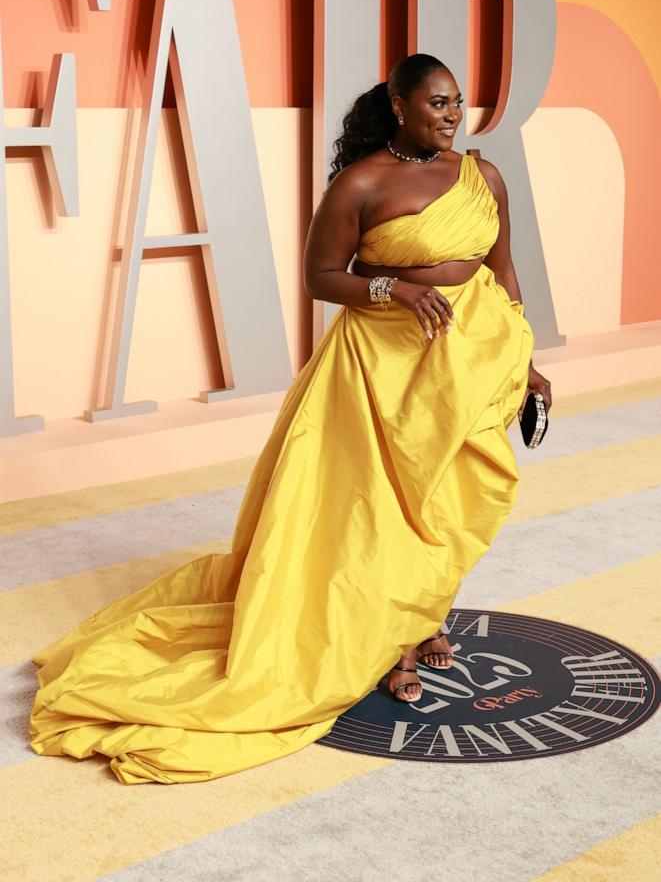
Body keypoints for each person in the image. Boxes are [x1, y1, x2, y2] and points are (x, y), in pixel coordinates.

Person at [28, 53, 551, 784]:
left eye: (456, 102)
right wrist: (393, 290)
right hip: (378, 370)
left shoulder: (481, 175)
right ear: (398, 105)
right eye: (436, 102)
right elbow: (319, 277)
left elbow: (503, 266)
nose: (451, 114)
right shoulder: (360, 183)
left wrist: (522, 355)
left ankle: (421, 617)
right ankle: (390, 643)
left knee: (449, 503)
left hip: (472, 359)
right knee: (373, 511)